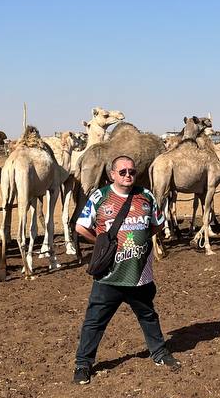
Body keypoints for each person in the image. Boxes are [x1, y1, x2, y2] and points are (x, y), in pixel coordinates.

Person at [72, 154, 181, 384]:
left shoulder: (146, 196)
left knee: (148, 315)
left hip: (139, 273)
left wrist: (140, 243)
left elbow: (156, 225)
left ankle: (159, 353)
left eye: (131, 171)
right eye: (122, 172)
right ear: (112, 174)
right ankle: (83, 364)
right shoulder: (100, 197)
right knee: (94, 320)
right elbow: (81, 227)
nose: (128, 175)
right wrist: (102, 244)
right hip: (109, 274)